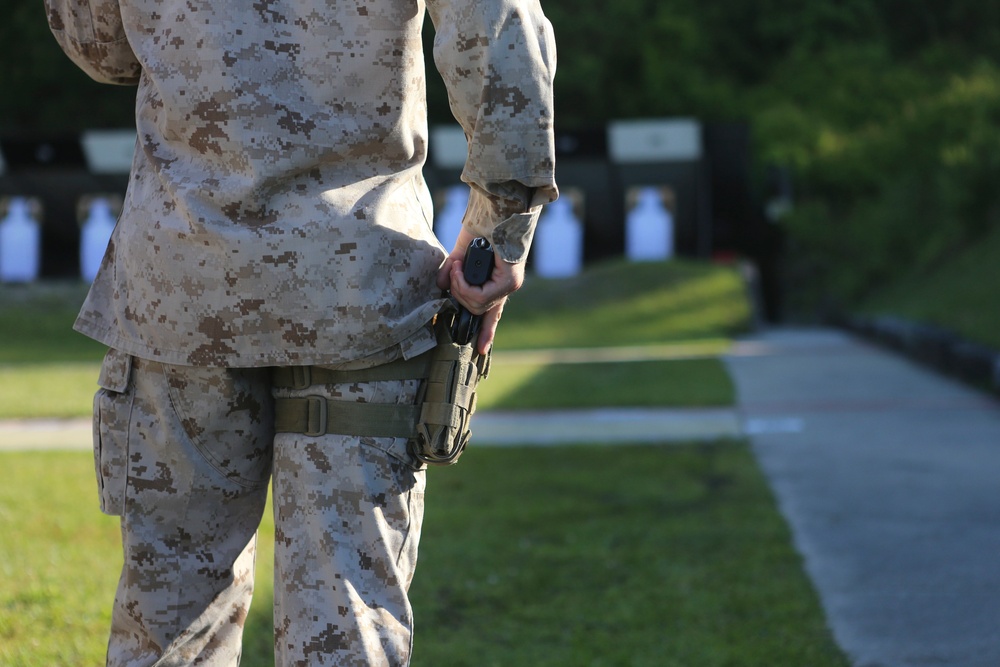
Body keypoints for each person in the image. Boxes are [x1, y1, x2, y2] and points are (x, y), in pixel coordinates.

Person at [45, 0, 557, 663]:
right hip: (356, 290)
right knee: (345, 626)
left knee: (172, 626)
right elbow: (498, 26)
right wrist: (498, 229)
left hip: (183, 291)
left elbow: (102, 51)